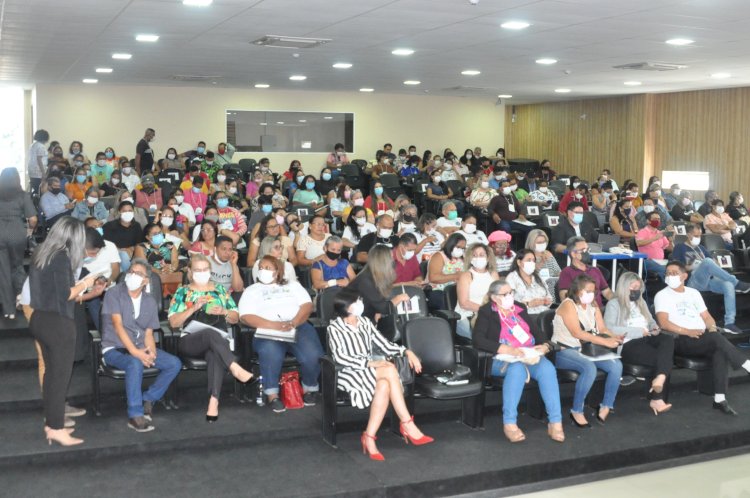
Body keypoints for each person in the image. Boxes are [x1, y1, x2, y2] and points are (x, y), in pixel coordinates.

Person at [327, 287, 431, 459]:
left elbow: (385, 345)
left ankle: (369, 437)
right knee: (389, 369)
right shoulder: (335, 328)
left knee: (384, 384)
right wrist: (369, 363)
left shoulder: (365, 323)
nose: (361, 304)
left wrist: (407, 352)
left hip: (371, 369)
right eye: (357, 301)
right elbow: (340, 357)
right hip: (349, 371)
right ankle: (407, 423)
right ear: (347, 307)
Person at [29, 217, 100, 446]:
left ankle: (52, 424)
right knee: (59, 378)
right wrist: (85, 284)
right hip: (58, 324)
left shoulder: (41, 252)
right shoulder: (61, 258)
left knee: (51, 376)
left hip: (39, 318)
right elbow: (65, 295)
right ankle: (56, 428)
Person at [473, 279, 564, 443]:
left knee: (548, 369)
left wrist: (545, 346)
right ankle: (509, 423)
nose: (510, 296)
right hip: (501, 358)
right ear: (494, 297)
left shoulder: (519, 308)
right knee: (517, 369)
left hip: (527, 354)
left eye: (511, 292)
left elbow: (538, 333)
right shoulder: (487, 311)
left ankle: (555, 422)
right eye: (505, 294)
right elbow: (478, 340)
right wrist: (508, 350)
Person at [655, 261, 750, 415]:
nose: (670, 276)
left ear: (684, 276)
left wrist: (711, 327)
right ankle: (746, 364)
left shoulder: (694, 293)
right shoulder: (662, 295)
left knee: (718, 348)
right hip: (679, 339)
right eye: (668, 273)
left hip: (701, 338)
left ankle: (719, 399)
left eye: (674, 273)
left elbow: (707, 317)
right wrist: (687, 331)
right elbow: (664, 324)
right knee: (716, 340)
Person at [100, 259, 181, 432]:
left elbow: (149, 333)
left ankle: (149, 399)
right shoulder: (113, 293)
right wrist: (136, 353)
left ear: (146, 281)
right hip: (115, 348)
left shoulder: (150, 301)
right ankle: (135, 415)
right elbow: (117, 325)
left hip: (139, 346)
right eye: (131, 271)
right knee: (134, 362)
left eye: (138, 274)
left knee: (174, 363)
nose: (132, 275)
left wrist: (150, 353)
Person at [169, 254, 252, 421]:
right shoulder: (183, 291)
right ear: (191, 272)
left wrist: (224, 312)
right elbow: (173, 322)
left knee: (215, 353)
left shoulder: (220, 290)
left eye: (205, 269)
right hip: (191, 341)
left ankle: (213, 402)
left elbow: (236, 317)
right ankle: (234, 367)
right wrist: (193, 308)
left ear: (210, 271)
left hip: (217, 343)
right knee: (209, 333)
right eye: (197, 270)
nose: (202, 272)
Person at [239, 255, 324, 413]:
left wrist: (294, 323)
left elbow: (307, 306)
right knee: (271, 353)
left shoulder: (293, 285)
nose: (263, 270)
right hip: (268, 330)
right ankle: (272, 395)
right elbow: (245, 316)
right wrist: (274, 325)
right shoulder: (251, 290)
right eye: (261, 268)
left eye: (268, 268)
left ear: (278, 271)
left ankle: (309, 388)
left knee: (312, 354)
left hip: (297, 326)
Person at [552, 274, 624, 427]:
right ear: (577, 290)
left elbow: (602, 328)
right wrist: (605, 341)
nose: (591, 294)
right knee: (589, 368)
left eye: (593, 291)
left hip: (588, 349)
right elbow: (577, 333)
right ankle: (576, 410)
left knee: (616, 365)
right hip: (564, 349)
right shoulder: (568, 305)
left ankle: (606, 405)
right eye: (588, 290)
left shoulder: (593, 305)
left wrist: (615, 337)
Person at [603, 272, 674, 415]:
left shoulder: (641, 302)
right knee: (662, 358)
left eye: (638, 287)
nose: (636, 290)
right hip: (628, 343)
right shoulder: (614, 304)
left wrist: (654, 327)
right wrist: (638, 331)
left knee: (668, 339)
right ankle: (657, 398)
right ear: (624, 287)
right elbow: (609, 329)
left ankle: (659, 379)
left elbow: (651, 321)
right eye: (633, 287)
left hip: (647, 337)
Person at [671, 224, 750, 332]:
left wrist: (714, 262)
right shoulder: (680, 247)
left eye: (699, 235)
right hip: (693, 280)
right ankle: (737, 282)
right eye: (695, 235)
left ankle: (729, 323)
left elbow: (713, 263)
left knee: (728, 284)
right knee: (707, 262)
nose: (698, 238)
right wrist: (690, 266)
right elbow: (675, 267)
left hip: (709, 280)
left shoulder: (701, 248)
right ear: (688, 235)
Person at [0, 168, 36, 318]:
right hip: (17, 232)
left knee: (3, 272)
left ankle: (8, 310)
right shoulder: (23, 195)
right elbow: (33, 219)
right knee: (17, 266)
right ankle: (21, 298)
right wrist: (29, 231)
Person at [348, 245, 411, 322]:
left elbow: (378, 303)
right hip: (352, 322)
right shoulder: (365, 281)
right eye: (391, 258)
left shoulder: (372, 275)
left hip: (365, 318)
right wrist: (399, 298)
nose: (393, 261)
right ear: (383, 261)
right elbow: (385, 308)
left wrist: (378, 311)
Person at [455, 243, 499, 339]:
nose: (478, 258)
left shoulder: (493, 274)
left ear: (488, 258)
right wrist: (486, 311)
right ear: (470, 259)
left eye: (481, 255)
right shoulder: (466, 276)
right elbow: (464, 303)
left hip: (491, 314)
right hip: (468, 315)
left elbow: (499, 296)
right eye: (474, 255)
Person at [558, 236, 614, 306]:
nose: (586, 253)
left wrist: (618, 300)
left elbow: (607, 292)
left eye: (587, 249)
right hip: (580, 311)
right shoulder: (567, 272)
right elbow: (564, 297)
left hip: (599, 310)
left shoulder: (595, 270)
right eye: (583, 250)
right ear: (573, 254)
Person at [506, 250, 554, 329]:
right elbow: (509, 304)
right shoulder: (511, 278)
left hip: (544, 313)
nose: (532, 263)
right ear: (519, 262)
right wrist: (528, 304)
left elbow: (549, 296)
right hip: (525, 315)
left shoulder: (538, 277)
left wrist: (546, 301)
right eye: (528, 260)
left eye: (533, 260)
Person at [427, 233, 466, 310]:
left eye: (463, 248)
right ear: (451, 244)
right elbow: (433, 278)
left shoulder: (462, 258)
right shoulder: (439, 256)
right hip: (439, 290)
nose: (460, 250)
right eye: (458, 247)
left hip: (458, 289)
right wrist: (455, 276)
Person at [550, 201, 597, 266]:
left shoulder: (586, 225)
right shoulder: (560, 227)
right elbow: (556, 247)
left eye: (581, 213)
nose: (580, 215)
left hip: (587, 260)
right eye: (577, 212)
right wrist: (574, 249)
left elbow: (597, 238)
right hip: (568, 261)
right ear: (569, 213)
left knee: (605, 272)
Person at [103, 201, 145, 273]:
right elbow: (106, 244)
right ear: (119, 212)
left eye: (130, 211)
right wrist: (123, 250)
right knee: (124, 255)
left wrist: (131, 249)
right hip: (115, 254)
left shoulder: (136, 225)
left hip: (132, 253)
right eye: (124, 211)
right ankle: (128, 275)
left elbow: (139, 243)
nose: (127, 213)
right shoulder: (109, 226)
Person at [635, 210, 672, 279]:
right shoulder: (642, 232)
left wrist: (671, 240)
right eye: (655, 219)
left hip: (660, 261)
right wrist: (654, 238)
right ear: (648, 221)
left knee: (675, 267)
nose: (657, 221)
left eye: (658, 219)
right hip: (647, 261)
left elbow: (669, 248)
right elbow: (638, 243)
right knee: (665, 270)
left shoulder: (660, 233)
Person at [27, 129, 49, 195]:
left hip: (31, 170)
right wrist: (43, 173)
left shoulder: (33, 145)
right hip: (38, 171)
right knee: (41, 191)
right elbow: (39, 160)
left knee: (36, 188)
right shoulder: (41, 146)